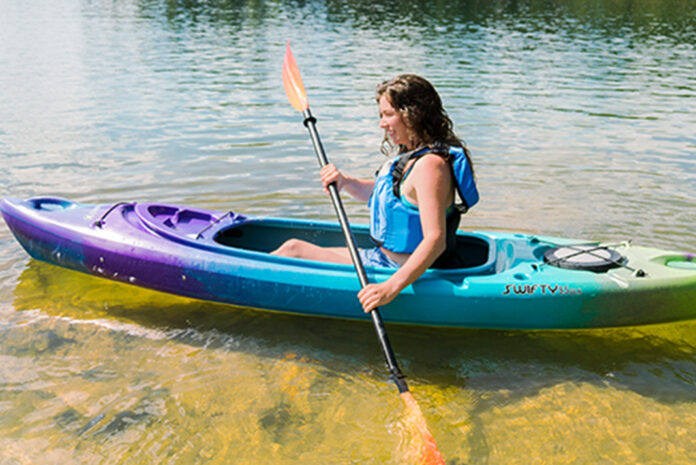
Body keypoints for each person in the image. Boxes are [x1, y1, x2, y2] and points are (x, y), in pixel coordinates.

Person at [271, 74, 478, 313]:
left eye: (388, 114)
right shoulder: (415, 156)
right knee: (292, 248)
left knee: (292, 250)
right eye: (381, 115)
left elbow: (435, 240)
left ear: (413, 114)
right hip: (380, 259)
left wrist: (389, 288)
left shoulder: (430, 166)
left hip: (394, 270)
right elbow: (392, 196)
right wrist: (345, 182)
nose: (382, 123)